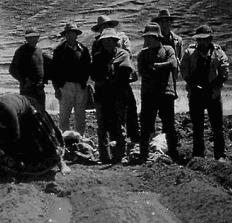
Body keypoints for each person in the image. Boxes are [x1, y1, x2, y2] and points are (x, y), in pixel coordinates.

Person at [0, 83, 71, 183]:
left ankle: (61, 163)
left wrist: (0, 151)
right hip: (14, 117)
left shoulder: (6, 108)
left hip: (29, 110)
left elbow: (14, 135)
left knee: (45, 142)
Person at [180, 25, 229, 161]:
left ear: (210, 39)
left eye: (204, 39)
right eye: (199, 40)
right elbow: (183, 69)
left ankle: (220, 155)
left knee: (217, 126)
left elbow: (225, 70)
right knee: (197, 127)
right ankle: (198, 155)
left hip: (213, 93)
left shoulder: (218, 52)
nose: (201, 42)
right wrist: (191, 84)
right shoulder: (189, 52)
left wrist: (217, 86)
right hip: (195, 93)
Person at [91, 15, 140, 146]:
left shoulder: (122, 42)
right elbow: (95, 71)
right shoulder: (97, 46)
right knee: (105, 119)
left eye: (107, 25)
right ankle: (107, 149)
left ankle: (129, 142)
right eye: (102, 26)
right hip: (103, 89)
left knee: (127, 112)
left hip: (120, 86)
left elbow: (126, 60)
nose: (105, 28)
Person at [137, 23, 179, 161]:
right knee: (146, 125)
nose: (147, 40)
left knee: (169, 125)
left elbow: (173, 63)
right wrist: (162, 68)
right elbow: (143, 71)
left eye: (149, 37)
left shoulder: (168, 49)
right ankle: (143, 155)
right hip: (149, 95)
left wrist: (156, 66)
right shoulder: (143, 54)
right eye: (146, 37)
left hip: (165, 93)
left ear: (157, 38)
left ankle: (173, 153)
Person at [52, 23, 91, 134]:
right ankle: (65, 140)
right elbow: (54, 71)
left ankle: (80, 139)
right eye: (68, 33)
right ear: (65, 35)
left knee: (80, 116)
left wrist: (85, 84)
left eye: (73, 33)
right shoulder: (59, 50)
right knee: (64, 115)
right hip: (65, 86)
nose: (71, 35)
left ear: (76, 35)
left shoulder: (83, 50)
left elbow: (88, 67)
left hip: (81, 87)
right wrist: (57, 88)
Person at [9, 28, 46, 110]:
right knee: (28, 112)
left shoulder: (39, 50)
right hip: (27, 88)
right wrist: (24, 80)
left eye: (35, 37)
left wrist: (44, 80)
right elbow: (12, 69)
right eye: (30, 37)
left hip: (39, 88)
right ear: (26, 39)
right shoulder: (21, 51)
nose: (33, 39)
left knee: (41, 112)